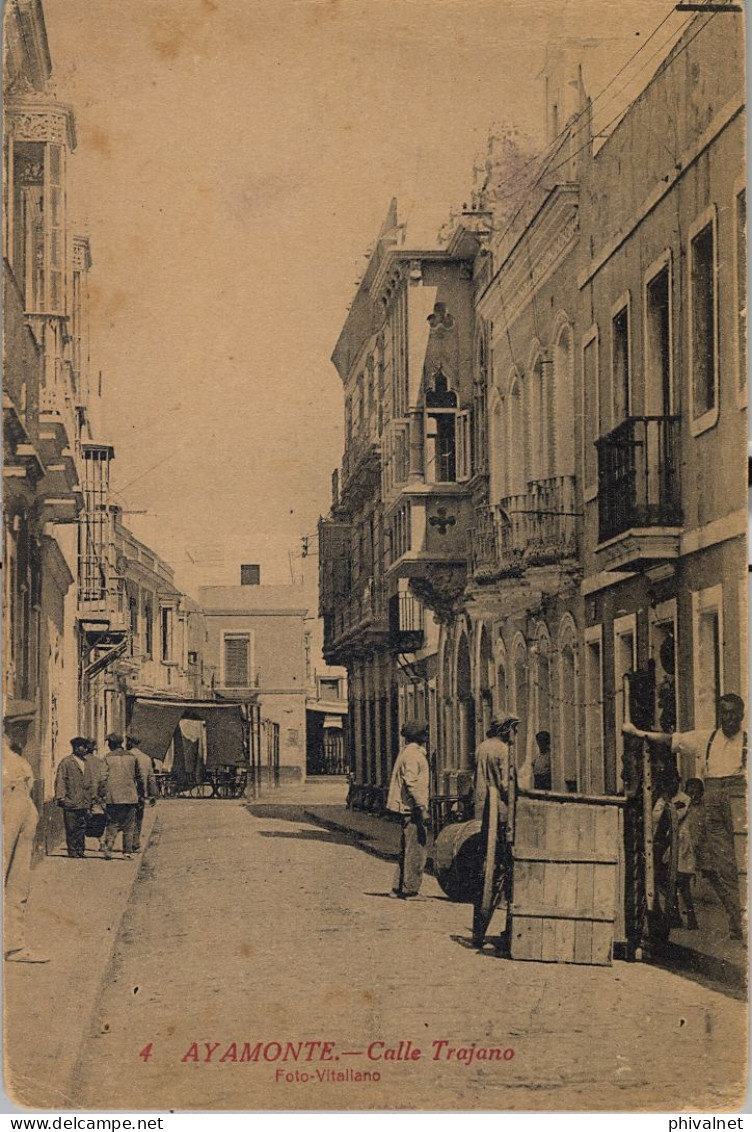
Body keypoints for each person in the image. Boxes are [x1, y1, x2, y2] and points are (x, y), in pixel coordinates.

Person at [623, 692, 746, 940]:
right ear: (720, 714)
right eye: (725, 713)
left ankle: (741, 921)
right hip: (713, 806)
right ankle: (737, 918)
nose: (730, 718)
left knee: (744, 865)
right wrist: (639, 733)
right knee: (722, 867)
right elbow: (671, 740)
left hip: (741, 805)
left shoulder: (747, 741)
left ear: (742, 715)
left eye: (734, 713)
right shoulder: (707, 738)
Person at [3, 718, 48, 963]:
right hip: (8, 821)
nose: (25, 735)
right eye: (20, 729)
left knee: (18, 885)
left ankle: (13, 945)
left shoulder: (18, 759)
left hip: (21, 825)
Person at [472, 714, 519, 947]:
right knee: (503, 859)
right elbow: (504, 784)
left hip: (481, 807)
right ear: (505, 730)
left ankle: (483, 901)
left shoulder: (482, 747)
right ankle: (499, 901)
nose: (515, 735)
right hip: (499, 810)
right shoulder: (503, 750)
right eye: (513, 729)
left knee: (485, 859)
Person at [386, 721, 430, 899]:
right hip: (412, 809)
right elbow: (411, 783)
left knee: (406, 848)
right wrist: (421, 807)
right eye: (424, 733)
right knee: (416, 849)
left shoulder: (407, 752)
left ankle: (397, 888)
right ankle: (411, 889)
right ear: (417, 736)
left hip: (407, 807)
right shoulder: (414, 755)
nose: (426, 737)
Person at [54, 737, 105, 858]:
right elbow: (60, 780)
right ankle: (72, 851)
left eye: (86, 747)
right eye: (83, 747)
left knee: (81, 827)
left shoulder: (86, 762)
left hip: (84, 800)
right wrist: (61, 797)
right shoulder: (66, 762)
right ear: (76, 748)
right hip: (71, 799)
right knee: (71, 827)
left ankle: (80, 850)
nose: (85, 749)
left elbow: (90, 781)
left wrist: (93, 797)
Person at [102, 733, 143, 861]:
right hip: (130, 796)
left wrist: (101, 795)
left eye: (108, 743)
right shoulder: (132, 757)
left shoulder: (107, 758)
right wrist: (141, 794)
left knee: (112, 822)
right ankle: (127, 852)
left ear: (112, 744)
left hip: (113, 797)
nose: (108, 745)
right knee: (129, 825)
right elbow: (139, 777)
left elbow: (102, 778)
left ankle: (109, 846)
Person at [126, 735, 158, 852]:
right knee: (138, 818)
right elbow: (150, 778)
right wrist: (153, 794)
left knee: (128, 819)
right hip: (141, 793)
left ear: (130, 742)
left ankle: (128, 843)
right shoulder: (146, 758)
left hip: (128, 792)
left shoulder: (126, 756)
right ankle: (135, 841)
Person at [85, 738, 108, 851]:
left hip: (84, 794)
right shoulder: (100, 762)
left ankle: (81, 844)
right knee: (100, 819)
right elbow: (103, 780)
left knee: (82, 819)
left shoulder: (81, 761)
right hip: (97, 794)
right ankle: (102, 843)